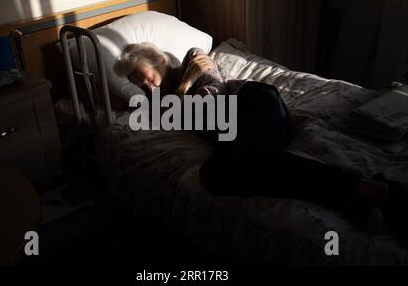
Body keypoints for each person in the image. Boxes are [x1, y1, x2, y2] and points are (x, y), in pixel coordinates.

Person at [113, 43, 408, 242]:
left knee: (228, 171)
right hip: (246, 136)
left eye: (147, 78)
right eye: (140, 85)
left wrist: (183, 92)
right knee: (218, 176)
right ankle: (358, 195)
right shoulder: (161, 102)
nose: (147, 87)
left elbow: (212, 89)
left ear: (160, 61)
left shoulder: (192, 58)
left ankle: (361, 192)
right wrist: (174, 99)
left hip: (256, 104)